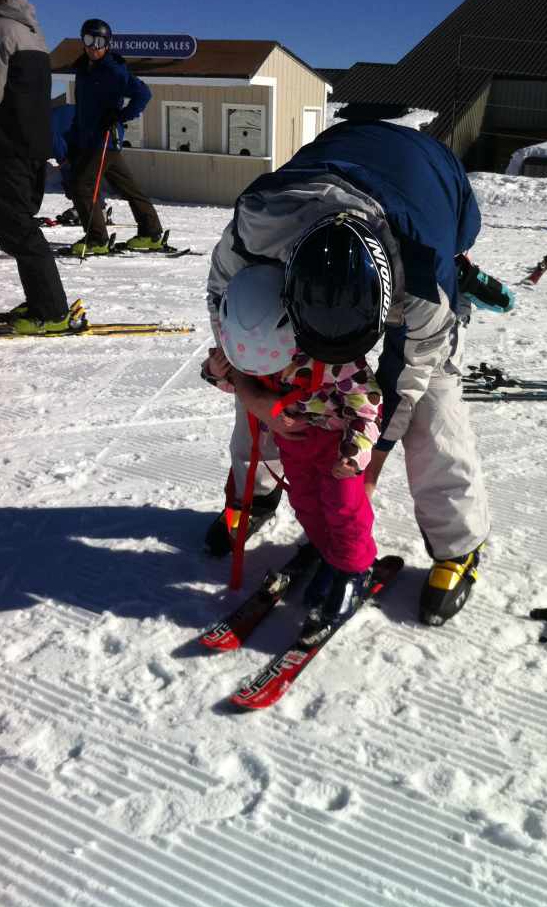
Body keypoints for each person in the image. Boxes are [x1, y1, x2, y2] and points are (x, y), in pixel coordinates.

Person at [205, 119, 514, 627]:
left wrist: (367, 458)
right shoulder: (253, 233)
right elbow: (228, 320)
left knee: (434, 402)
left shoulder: (422, 276)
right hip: (334, 172)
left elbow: (405, 379)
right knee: (265, 366)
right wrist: (251, 391)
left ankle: (459, 544)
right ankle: (252, 497)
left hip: (431, 183)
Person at [217, 262, 383, 636]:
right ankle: (329, 554)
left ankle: (355, 568)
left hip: (335, 447)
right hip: (296, 447)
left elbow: (368, 407)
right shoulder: (252, 350)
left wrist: (354, 450)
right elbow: (231, 376)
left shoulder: (337, 359)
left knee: (343, 510)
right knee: (307, 503)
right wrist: (217, 369)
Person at [0, 0, 83, 335]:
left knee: (16, 230)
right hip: (30, 146)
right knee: (17, 226)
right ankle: (44, 302)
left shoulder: (0, 30)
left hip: (7, 147)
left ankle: (51, 310)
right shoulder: (31, 31)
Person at [67, 18, 162, 257]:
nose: (94, 46)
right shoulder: (83, 69)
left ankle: (97, 239)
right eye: (89, 40)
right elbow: (83, 109)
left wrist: (120, 116)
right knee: (127, 186)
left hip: (104, 139)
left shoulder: (112, 69)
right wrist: (74, 138)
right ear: (83, 41)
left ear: (108, 44)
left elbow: (143, 94)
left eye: (99, 41)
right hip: (90, 139)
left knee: (80, 187)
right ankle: (150, 233)